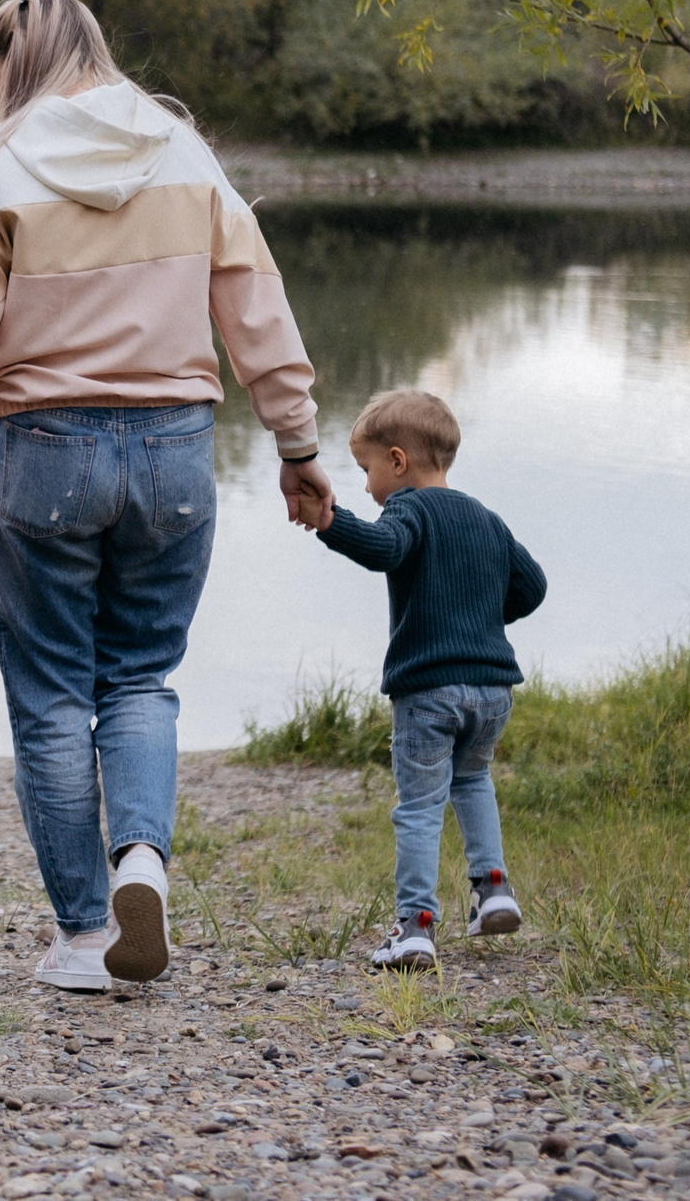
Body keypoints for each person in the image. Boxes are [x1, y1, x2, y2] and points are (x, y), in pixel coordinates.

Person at [0, 0, 332, 994]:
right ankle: (140, 857)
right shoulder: (182, 150)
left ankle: (82, 938)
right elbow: (255, 302)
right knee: (140, 677)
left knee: (53, 695)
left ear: (12, 66)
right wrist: (296, 440)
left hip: (48, 446)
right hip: (178, 446)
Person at [293, 389, 546, 972]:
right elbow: (531, 588)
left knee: (420, 806)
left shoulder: (407, 511)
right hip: (492, 690)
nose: (366, 485)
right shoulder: (486, 518)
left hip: (429, 691)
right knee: (474, 780)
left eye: (367, 469)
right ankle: (494, 890)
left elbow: (385, 549)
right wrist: (477, 616)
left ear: (399, 461)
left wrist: (330, 521)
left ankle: (415, 926)